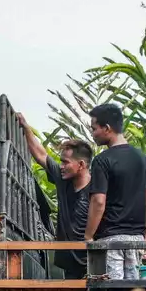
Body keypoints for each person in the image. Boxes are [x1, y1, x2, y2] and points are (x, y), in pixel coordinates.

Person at [18, 114, 93, 280]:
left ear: (81, 165)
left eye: (66, 162)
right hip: (69, 263)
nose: (61, 166)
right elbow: (41, 155)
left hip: (92, 261)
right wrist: (25, 127)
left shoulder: (96, 189)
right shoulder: (62, 179)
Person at [83, 103, 146, 281]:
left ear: (107, 128)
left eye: (94, 129)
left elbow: (98, 201)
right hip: (136, 240)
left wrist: (89, 236)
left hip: (110, 238)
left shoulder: (102, 161)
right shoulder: (143, 159)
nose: (93, 134)